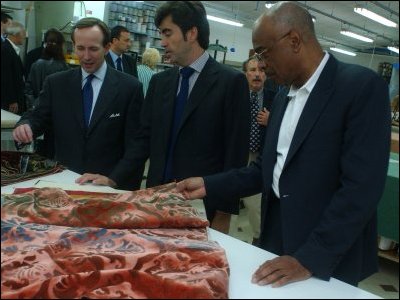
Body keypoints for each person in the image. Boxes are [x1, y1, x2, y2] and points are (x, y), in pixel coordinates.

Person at [176, 1, 390, 287]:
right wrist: (209, 184)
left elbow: (361, 189)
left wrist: (310, 257)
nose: (261, 63)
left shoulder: (359, 87)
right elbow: (266, 169)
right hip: (276, 235)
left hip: (328, 252)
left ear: (294, 40)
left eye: (264, 52)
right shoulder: (281, 97)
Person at [76, 1, 250, 234]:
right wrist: (113, 178)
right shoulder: (161, 83)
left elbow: (235, 155)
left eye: (168, 33)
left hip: (201, 206)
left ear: (191, 33)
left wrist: (224, 213)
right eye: (161, 34)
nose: (163, 42)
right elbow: (143, 140)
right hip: (157, 200)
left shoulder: (230, 83)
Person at [13, 17, 144, 190]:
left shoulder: (129, 88)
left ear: (106, 48)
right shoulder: (56, 84)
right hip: (63, 182)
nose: (86, 56)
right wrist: (25, 125)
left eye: (93, 49)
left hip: (106, 187)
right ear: (73, 46)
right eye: (80, 48)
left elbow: (137, 144)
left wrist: (114, 179)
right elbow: (37, 116)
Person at [241, 56, 278, 246]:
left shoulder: (277, 98)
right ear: (245, 73)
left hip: (260, 157)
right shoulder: (236, 95)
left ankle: (258, 240)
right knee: (224, 202)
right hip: (237, 154)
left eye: (261, 71)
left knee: (255, 205)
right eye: (253, 70)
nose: (257, 74)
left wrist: (273, 120)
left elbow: (288, 127)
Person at [25, 28, 69, 159]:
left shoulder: (36, 64)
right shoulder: (64, 67)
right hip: (56, 117)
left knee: (38, 150)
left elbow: (28, 89)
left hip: (38, 114)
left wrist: (34, 107)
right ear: (61, 45)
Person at [1, 21, 26, 114]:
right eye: (23, 33)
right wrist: (12, 100)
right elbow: (5, 77)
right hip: (10, 102)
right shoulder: (5, 50)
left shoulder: (10, 48)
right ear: (16, 34)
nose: (25, 36)